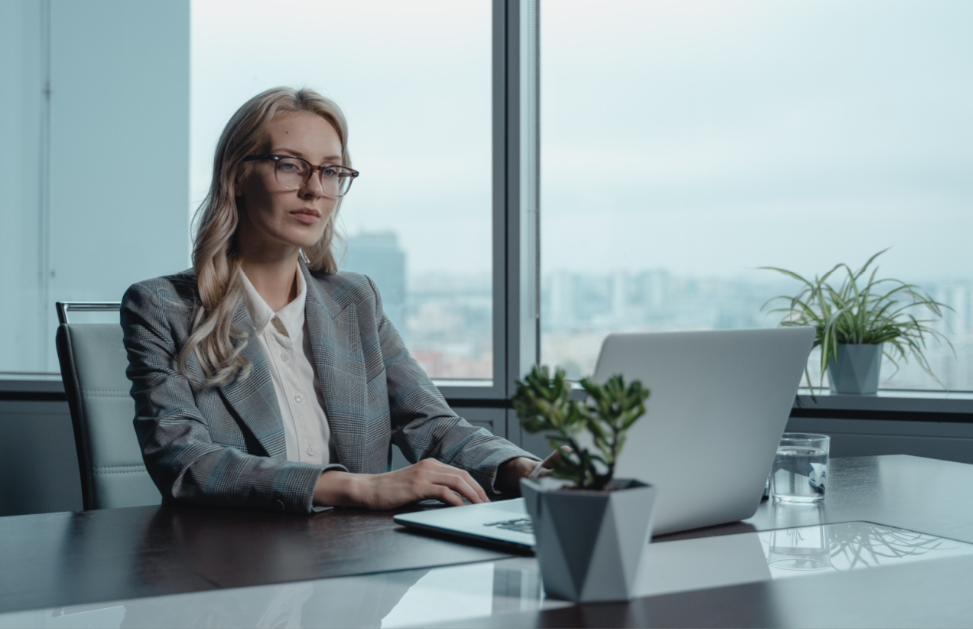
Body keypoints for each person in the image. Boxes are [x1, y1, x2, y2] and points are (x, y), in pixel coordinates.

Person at [121, 86, 542, 513]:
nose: (314, 189)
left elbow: (430, 424)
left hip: (357, 560)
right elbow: (187, 463)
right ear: (237, 176)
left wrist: (525, 470)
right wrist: (359, 488)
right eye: (290, 166)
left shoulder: (356, 300)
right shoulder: (162, 307)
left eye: (331, 171)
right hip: (234, 562)